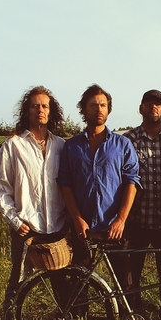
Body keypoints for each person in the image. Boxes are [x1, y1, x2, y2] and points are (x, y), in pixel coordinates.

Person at [0, 85, 68, 320]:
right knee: (19, 280)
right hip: (26, 228)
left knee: (61, 281)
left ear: (51, 111)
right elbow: (1, 188)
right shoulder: (13, 145)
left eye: (44, 106)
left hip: (56, 226)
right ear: (27, 111)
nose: (40, 110)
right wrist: (14, 221)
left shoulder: (61, 146)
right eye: (35, 106)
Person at [57, 84, 140, 291]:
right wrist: (77, 220)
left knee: (125, 284)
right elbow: (65, 183)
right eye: (93, 105)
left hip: (114, 227)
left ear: (109, 110)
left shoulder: (122, 144)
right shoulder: (72, 146)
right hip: (83, 229)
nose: (99, 109)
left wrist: (120, 220)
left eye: (103, 105)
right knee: (80, 283)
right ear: (83, 110)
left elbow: (132, 181)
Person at [125, 90, 161, 319]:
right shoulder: (128, 140)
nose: (153, 107)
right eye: (149, 103)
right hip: (137, 218)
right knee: (132, 272)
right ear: (141, 108)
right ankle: (133, 316)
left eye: (158, 104)